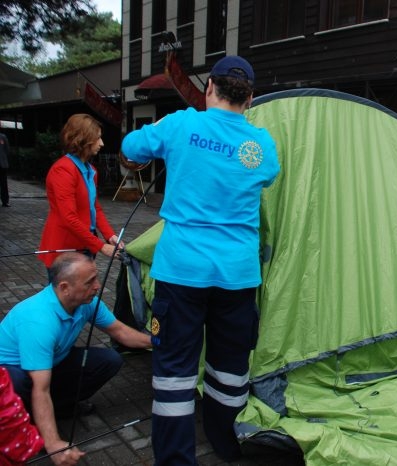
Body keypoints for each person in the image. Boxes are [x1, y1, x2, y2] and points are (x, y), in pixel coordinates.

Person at [121, 55, 280, 465]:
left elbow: (130, 147)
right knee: (230, 367)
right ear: (250, 99)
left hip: (182, 272)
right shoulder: (260, 145)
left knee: (174, 372)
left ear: (209, 88)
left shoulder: (180, 124)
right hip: (238, 277)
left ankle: (176, 459)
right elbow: (268, 175)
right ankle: (226, 446)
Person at [0, 252, 152, 466]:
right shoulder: (39, 321)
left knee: (110, 360)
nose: (98, 286)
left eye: (96, 278)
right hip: (12, 374)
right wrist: (53, 443)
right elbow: (40, 388)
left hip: (49, 363)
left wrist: (160, 343)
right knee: (21, 382)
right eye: (90, 282)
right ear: (64, 287)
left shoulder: (87, 302)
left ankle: (59, 407)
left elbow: (120, 332)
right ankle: (25, 421)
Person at [38, 114, 123, 272]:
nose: (102, 143)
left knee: (84, 293)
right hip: (64, 248)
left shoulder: (90, 170)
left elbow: (95, 208)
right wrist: (101, 246)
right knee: (65, 296)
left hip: (84, 245)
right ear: (84, 139)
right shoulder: (63, 170)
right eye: (98, 138)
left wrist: (110, 236)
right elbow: (68, 218)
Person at [0, 131, 10, 207]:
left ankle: (5, 201)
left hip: (2, 164)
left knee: (4, 184)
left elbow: (7, 150)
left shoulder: (3, 137)